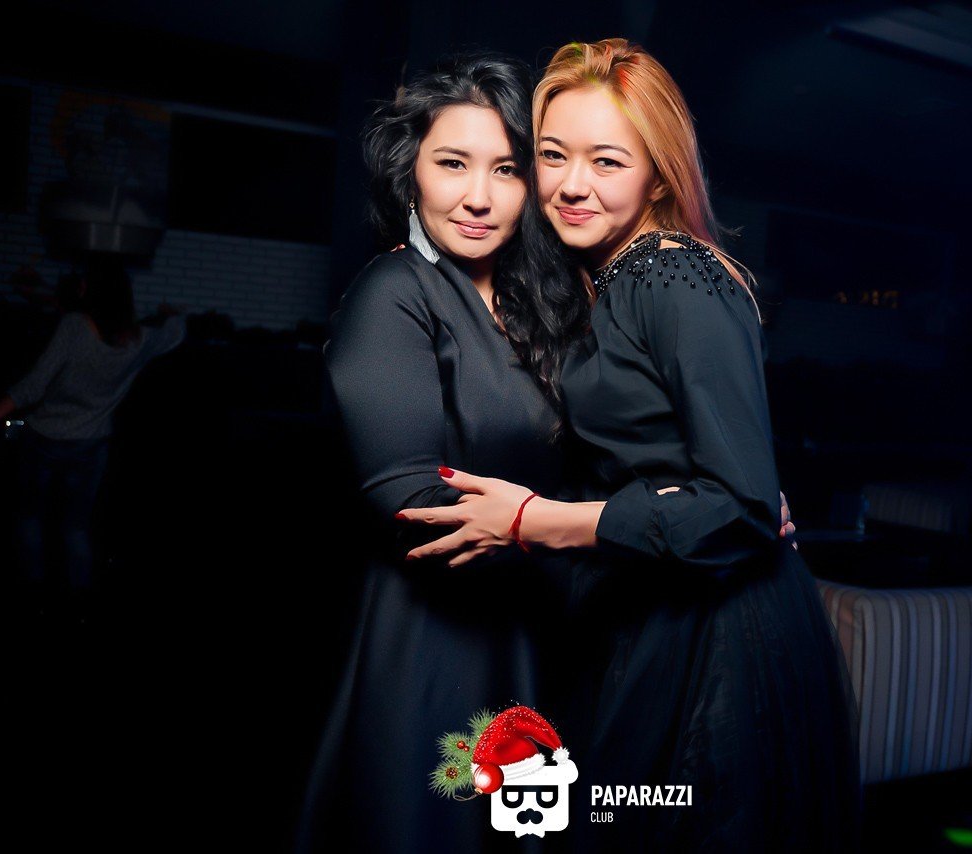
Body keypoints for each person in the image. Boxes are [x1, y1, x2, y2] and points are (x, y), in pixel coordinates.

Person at [399, 39, 863, 851]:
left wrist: (533, 520)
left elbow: (743, 506)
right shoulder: (606, 277)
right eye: (552, 156)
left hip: (715, 639)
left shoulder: (672, 274)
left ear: (658, 175)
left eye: (608, 161)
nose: (572, 184)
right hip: (648, 611)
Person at [294, 52, 587, 853]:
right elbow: (412, 501)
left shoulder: (535, 304)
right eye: (453, 163)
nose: (479, 196)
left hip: (538, 633)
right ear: (411, 172)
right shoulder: (394, 292)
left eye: (507, 169)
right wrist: (610, 535)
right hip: (434, 647)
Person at [0, 259, 186, 618]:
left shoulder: (74, 326)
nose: (81, 287)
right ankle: (79, 606)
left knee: (29, 512)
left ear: (94, 291)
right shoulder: (140, 340)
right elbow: (175, 333)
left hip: (42, 434)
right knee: (76, 526)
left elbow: (33, 386)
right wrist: (174, 314)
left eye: (85, 283)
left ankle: (33, 597)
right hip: (91, 443)